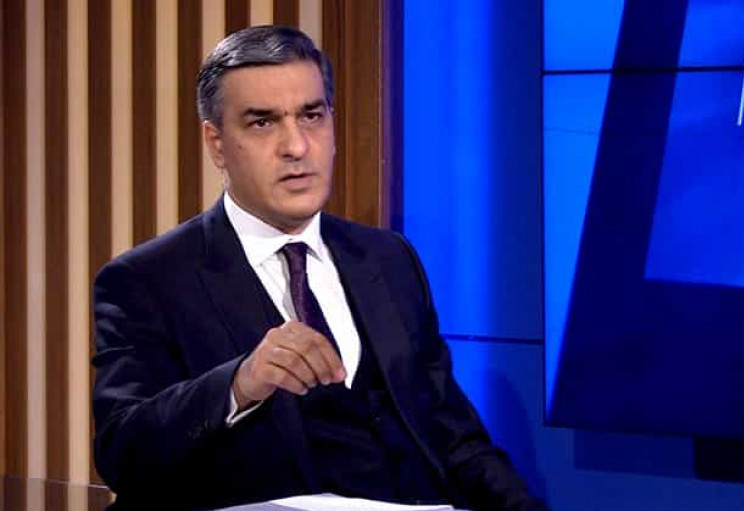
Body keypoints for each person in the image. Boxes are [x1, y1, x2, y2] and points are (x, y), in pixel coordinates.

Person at [92, 25, 547, 511]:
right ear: (216, 143)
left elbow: (456, 440)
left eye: (311, 116)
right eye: (262, 123)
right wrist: (239, 383)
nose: (296, 146)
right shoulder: (147, 281)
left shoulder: (390, 259)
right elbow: (124, 451)